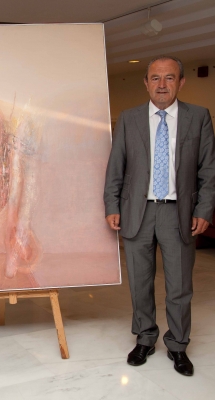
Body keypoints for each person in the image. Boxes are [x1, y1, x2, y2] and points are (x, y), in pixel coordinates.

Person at [104, 55, 215, 377]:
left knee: (180, 285)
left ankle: (178, 345)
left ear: (181, 82)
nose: (162, 85)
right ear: (146, 82)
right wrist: (112, 205)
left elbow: (208, 169)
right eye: (155, 78)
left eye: (169, 78)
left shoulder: (198, 117)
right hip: (137, 211)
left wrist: (204, 209)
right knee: (140, 282)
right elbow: (116, 167)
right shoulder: (129, 118)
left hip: (179, 213)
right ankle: (145, 338)